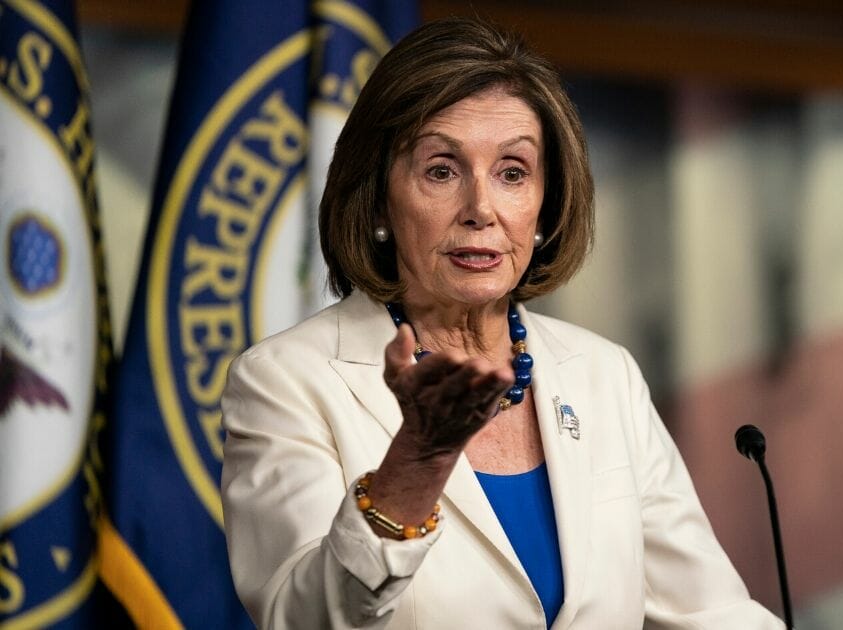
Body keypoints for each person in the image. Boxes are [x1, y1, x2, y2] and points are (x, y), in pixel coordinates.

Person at [220, 16, 784, 629]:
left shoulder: (603, 374)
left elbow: (711, 612)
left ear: (546, 205)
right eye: (441, 169)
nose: (481, 209)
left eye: (512, 172)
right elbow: (303, 620)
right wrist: (416, 462)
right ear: (379, 196)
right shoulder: (284, 380)